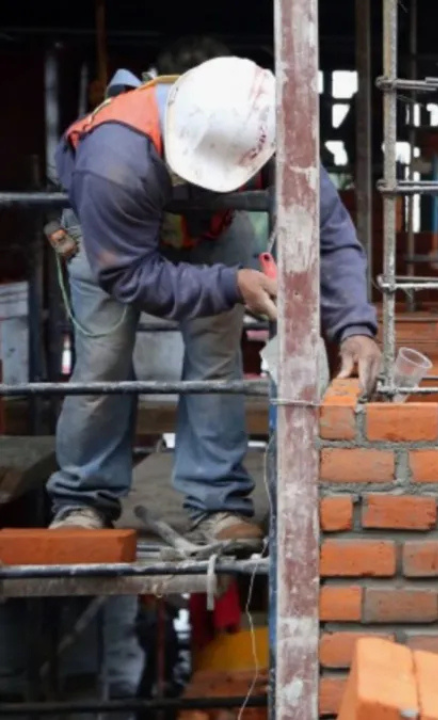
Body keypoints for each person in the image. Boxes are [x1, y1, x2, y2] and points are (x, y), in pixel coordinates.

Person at [46, 49, 381, 545]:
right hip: (110, 234)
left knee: (215, 359)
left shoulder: (272, 131)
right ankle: (82, 499)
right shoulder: (115, 156)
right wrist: (232, 284)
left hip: (213, 225)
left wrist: (353, 326)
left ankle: (218, 504)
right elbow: (131, 277)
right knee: (103, 363)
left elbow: (325, 231)